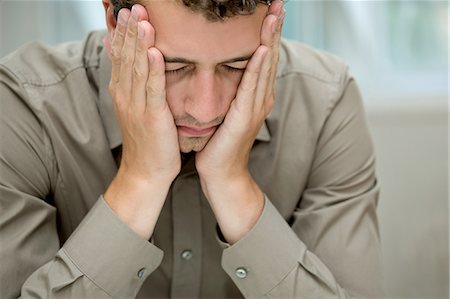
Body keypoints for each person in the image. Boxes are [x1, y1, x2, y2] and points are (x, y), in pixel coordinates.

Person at [0, 0, 385, 298]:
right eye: (171, 67)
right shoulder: (24, 107)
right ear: (115, 23)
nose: (205, 109)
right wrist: (140, 179)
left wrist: (232, 183)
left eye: (237, 67)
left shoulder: (325, 102)